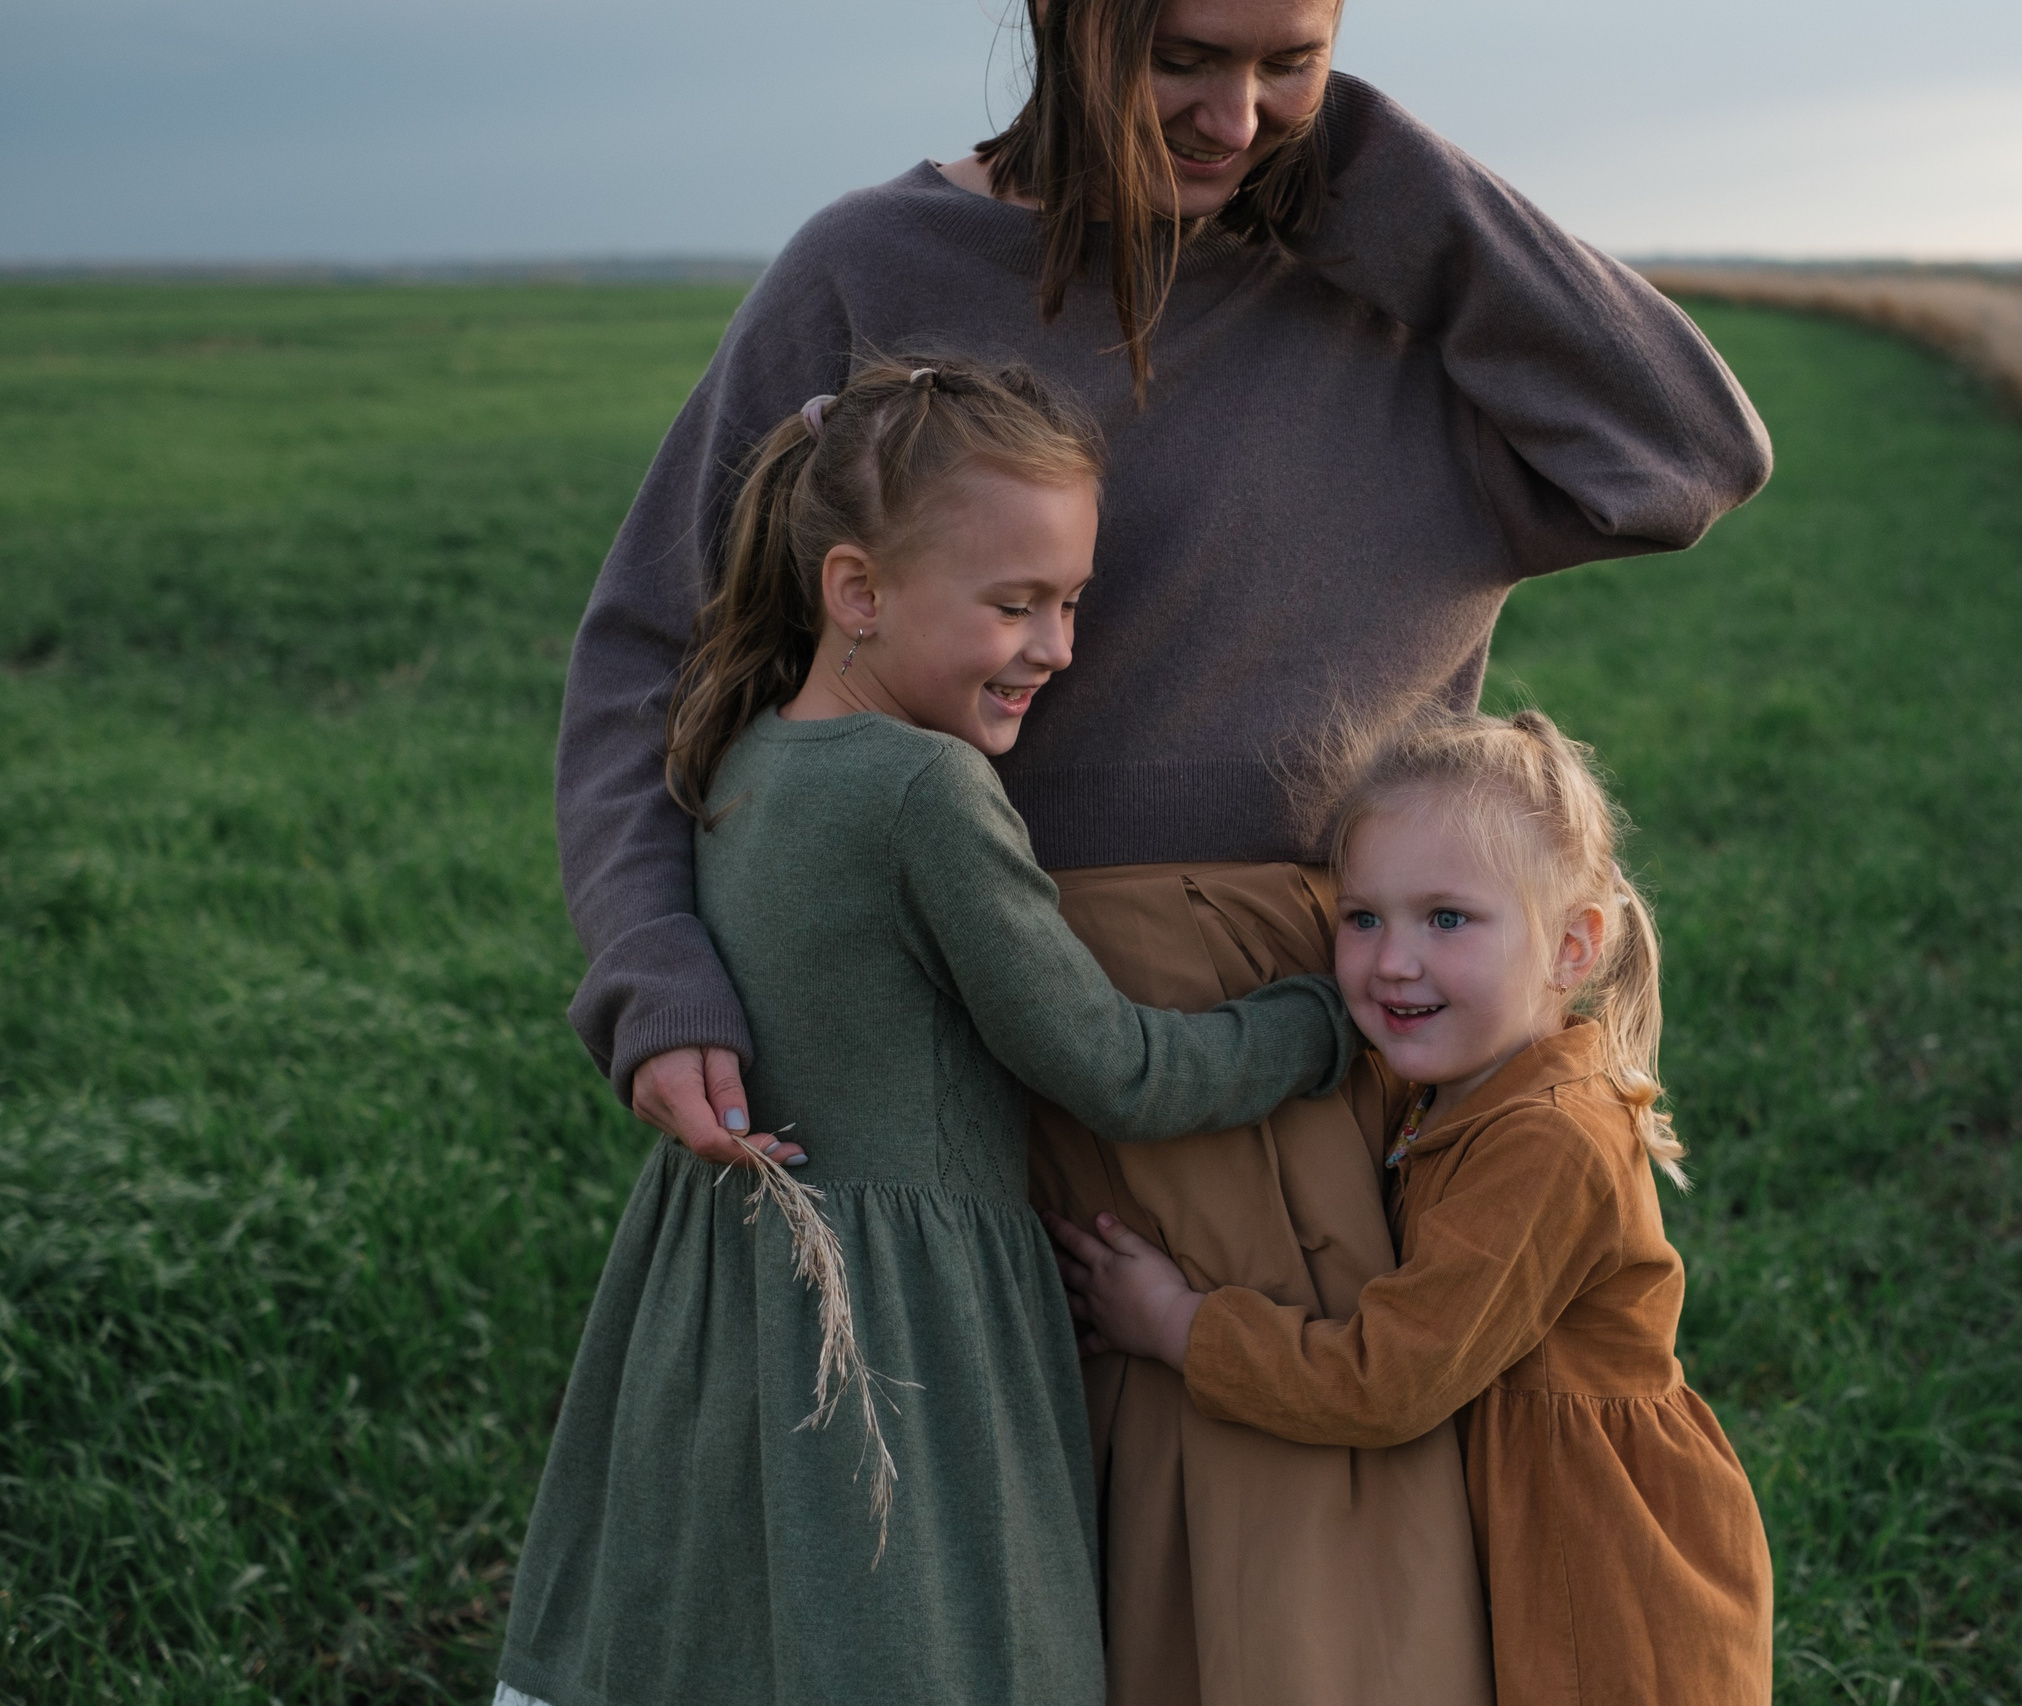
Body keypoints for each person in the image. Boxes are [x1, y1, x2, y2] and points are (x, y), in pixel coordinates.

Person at [551, 0, 1773, 1697]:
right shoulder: (874, 269)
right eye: (1184, 55)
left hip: (1286, 1072)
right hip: (955, 1081)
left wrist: (1360, 162)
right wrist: (657, 965)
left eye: (1295, 55)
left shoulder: (1388, 284)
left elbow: (1690, 450)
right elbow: (647, 652)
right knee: (982, 1611)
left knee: (1297, 1620)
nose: (1236, 113)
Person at [496, 355, 1369, 1706]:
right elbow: (1106, 1064)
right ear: (856, 592)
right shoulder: (926, 792)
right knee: (927, 1630)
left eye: (1071, 602)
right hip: (904, 1312)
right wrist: (1318, 1020)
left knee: (738, 1613)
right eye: (1015, 605)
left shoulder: (745, 754)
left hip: (725, 1279)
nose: (1058, 648)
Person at [1049, 708, 1777, 1706]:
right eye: (1362, 916)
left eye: (1446, 918)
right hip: (1513, 1511)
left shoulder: (1549, 1141)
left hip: (1590, 1562)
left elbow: (1387, 1379)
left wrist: (1178, 1322)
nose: (1393, 959)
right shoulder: (1454, 1081)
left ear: (1573, 945)